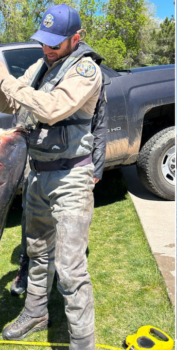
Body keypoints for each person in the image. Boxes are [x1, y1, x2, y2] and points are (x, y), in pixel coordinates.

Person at [0, 4, 103, 350]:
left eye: (55, 44)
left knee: (71, 269)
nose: (47, 49)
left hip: (71, 179)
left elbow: (52, 107)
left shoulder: (85, 70)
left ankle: (83, 343)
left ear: (77, 38)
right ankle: (35, 312)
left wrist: (6, 80)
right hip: (37, 174)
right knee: (38, 250)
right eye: (43, 42)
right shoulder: (41, 66)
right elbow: (12, 103)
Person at [10, 77, 107, 297]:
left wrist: (97, 168)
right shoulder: (44, 70)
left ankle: (60, 278)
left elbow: (99, 125)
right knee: (30, 219)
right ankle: (25, 268)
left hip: (71, 166)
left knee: (68, 223)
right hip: (37, 159)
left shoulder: (89, 76)